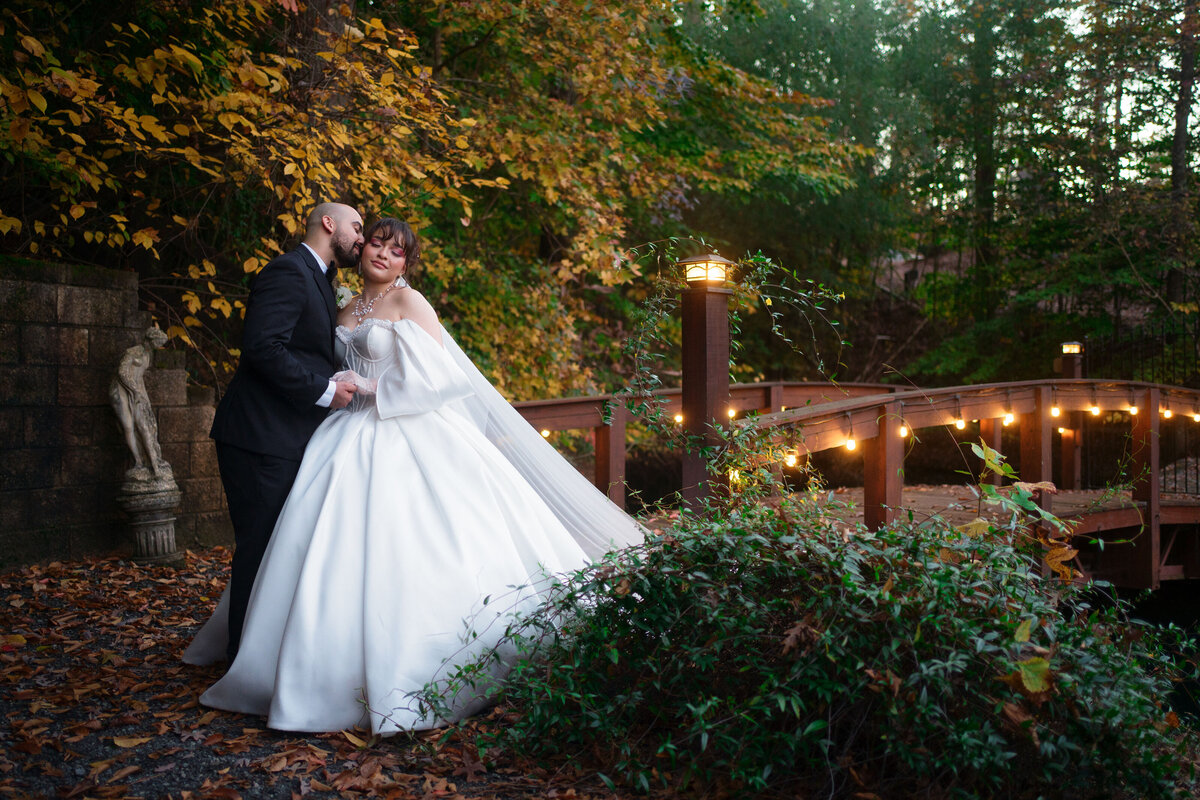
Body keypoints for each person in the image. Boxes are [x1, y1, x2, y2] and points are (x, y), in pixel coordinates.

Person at [185, 218, 643, 735]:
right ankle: (305, 662)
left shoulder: (410, 303)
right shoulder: (342, 308)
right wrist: (337, 382)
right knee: (314, 544)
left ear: (407, 263)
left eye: (397, 251)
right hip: (342, 438)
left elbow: (440, 378)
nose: (384, 254)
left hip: (405, 430)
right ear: (361, 251)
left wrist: (371, 388)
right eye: (377, 243)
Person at [208, 202, 364, 663]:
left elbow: (306, 349)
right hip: (258, 436)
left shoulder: (320, 278)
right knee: (257, 550)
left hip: (285, 437)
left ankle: (267, 659)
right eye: (357, 227)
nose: (361, 236)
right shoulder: (288, 271)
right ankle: (241, 664)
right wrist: (323, 391)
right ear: (328, 224)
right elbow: (262, 347)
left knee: (276, 550)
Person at [110, 326, 172, 481]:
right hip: (120, 391)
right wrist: (135, 390)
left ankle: (153, 462)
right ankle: (138, 461)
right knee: (129, 426)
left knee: (146, 426)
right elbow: (122, 372)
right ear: (150, 340)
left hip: (136, 391)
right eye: (158, 342)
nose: (158, 346)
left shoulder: (147, 355)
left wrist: (144, 398)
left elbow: (140, 378)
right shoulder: (132, 352)